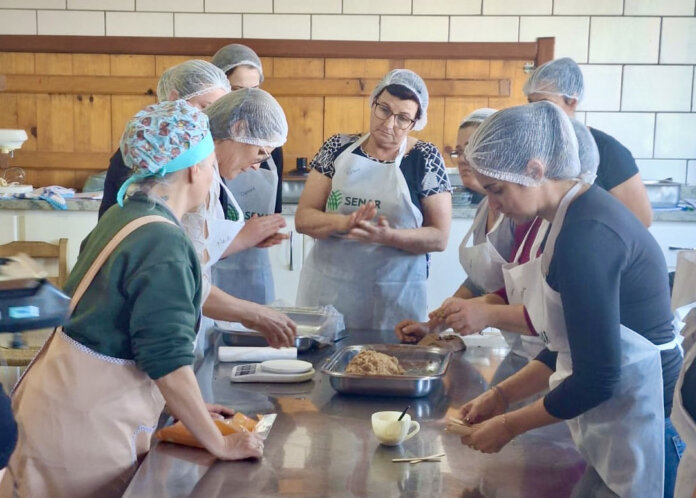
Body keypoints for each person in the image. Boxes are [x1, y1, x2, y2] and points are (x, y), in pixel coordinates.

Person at [0, 101, 265, 498]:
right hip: (87, 435)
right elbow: (166, 361)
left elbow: (120, 325)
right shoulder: (164, 243)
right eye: (211, 162)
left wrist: (187, 412)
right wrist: (218, 441)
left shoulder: (126, 214)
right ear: (195, 168)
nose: (213, 174)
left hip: (54, 415)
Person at [443, 101, 682, 498]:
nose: (495, 206)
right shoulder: (566, 219)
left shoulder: (586, 234)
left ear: (535, 170)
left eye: (497, 190)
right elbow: (566, 341)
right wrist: (500, 396)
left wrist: (508, 426)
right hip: (620, 413)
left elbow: (597, 377)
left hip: (648, 423)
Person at [294, 69, 452, 330]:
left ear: (415, 123)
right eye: (384, 110)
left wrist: (387, 237)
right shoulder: (338, 146)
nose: (389, 124)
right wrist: (343, 223)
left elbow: (439, 237)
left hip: (394, 299)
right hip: (328, 292)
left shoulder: (425, 157)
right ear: (373, 103)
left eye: (402, 118)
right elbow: (304, 218)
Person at [188, 88, 296, 351]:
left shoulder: (211, 175)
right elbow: (185, 281)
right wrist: (254, 314)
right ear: (238, 128)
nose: (257, 166)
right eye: (260, 153)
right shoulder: (195, 178)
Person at [524, 57, 653, 227]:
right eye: (531, 103)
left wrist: (592, 235)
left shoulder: (607, 150)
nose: (536, 112)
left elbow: (642, 219)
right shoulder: (535, 147)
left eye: (544, 103)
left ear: (572, 101)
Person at [99, 59, 231, 218]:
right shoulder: (143, 154)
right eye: (205, 107)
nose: (210, 118)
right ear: (174, 100)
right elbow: (113, 217)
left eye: (218, 111)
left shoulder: (204, 152)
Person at [210, 43, 285, 304]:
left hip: (251, 265)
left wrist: (263, 232)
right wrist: (239, 237)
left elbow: (271, 209)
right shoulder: (201, 155)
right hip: (209, 266)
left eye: (254, 91)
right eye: (237, 91)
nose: (245, 102)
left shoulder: (270, 142)